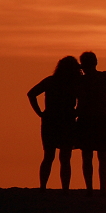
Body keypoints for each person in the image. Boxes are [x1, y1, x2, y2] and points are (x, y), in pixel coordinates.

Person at [28, 56, 82, 191]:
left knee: (49, 156)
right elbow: (31, 94)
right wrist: (77, 111)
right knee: (64, 157)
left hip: (51, 120)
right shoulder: (74, 84)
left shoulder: (51, 81)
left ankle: (43, 187)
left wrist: (40, 112)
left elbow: (32, 94)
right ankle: (64, 189)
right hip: (65, 121)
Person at [76, 51, 106, 196]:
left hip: (87, 120)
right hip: (101, 119)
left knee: (88, 157)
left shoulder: (81, 80)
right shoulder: (104, 76)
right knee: (103, 156)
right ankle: (102, 189)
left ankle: (90, 188)